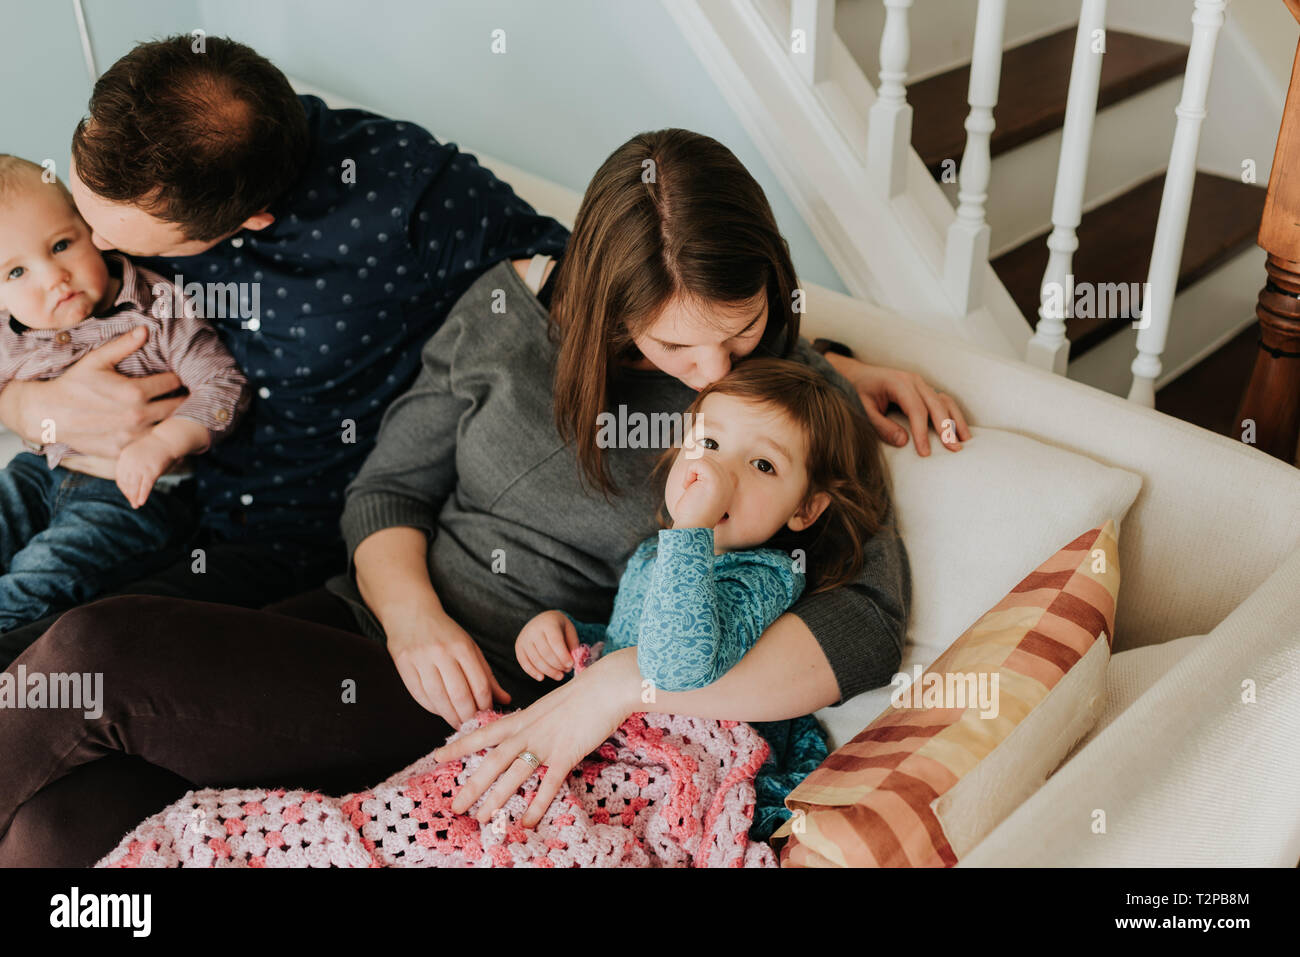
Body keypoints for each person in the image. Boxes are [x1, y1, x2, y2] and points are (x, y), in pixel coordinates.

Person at [0, 129, 970, 866]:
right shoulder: (510, 308)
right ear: (596, 293)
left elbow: (864, 628)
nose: (712, 368)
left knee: (96, 647)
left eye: (743, 327)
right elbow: (386, 492)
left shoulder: (791, 408)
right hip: (369, 628)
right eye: (672, 347)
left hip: (506, 703)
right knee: (66, 818)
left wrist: (621, 681)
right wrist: (414, 617)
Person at [0, 34, 569, 666]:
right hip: (114, 475)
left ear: (244, 224)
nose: (92, 247)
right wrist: (27, 405)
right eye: (81, 218)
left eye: (108, 236)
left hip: (282, 529)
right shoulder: (135, 161)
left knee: (62, 655)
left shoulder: (411, 199)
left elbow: (578, 283)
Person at [515, 357, 892, 838]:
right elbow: (628, 645)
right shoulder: (655, 553)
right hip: (604, 745)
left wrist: (690, 528)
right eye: (709, 443)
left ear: (804, 508)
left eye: (762, 464)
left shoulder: (766, 576)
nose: (718, 472)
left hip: (677, 769)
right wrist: (564, 633)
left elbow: (672, 667)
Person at [0, 155, 248, 632]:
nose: (53, 277)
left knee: (45, 573)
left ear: (90, 228)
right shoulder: (9, 331)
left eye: (61, 244)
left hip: (134, 492)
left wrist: (165, 441)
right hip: (37, 471)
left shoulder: (158, 307)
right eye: (16, 273)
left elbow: (223, 386)